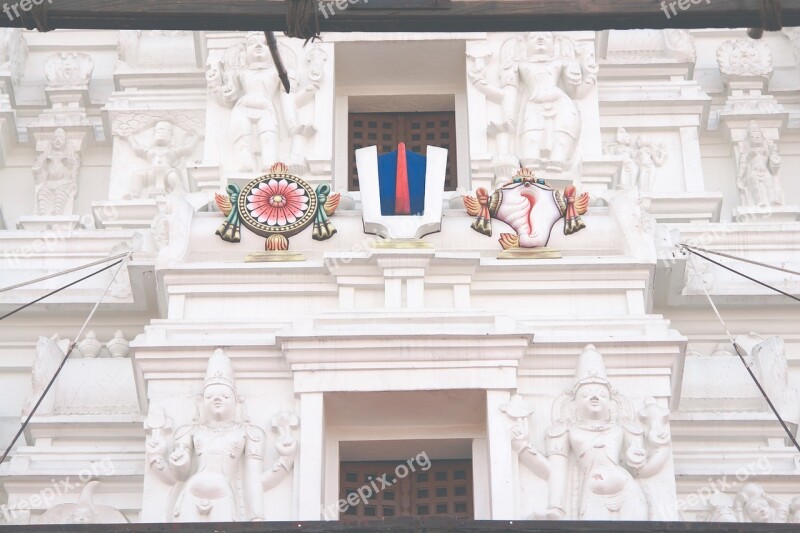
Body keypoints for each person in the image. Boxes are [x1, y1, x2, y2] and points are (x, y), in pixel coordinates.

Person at [145, 349, 297, 522]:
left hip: (223, 496)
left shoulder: (250, 434)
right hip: (191, 493)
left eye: (224, 395)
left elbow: (254, 482)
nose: (217, 399)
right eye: (210, 396)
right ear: (201, 403)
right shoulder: (188, 431)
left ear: (236, 402)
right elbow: (178, 475)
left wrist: (257, 518)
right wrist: (161, 456)